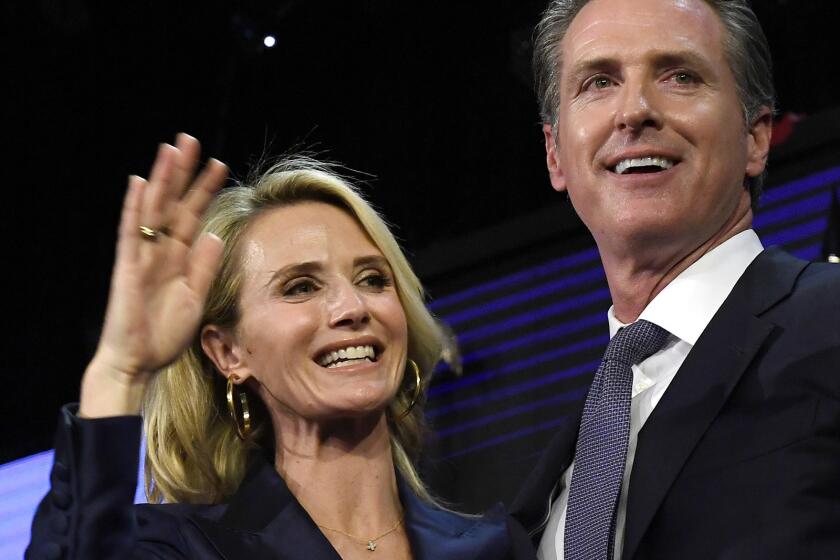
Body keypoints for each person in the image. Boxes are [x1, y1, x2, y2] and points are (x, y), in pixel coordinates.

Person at [27, 135, 535, 560]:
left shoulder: (494, 547)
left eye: (373, 278)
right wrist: (121, 371)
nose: (352, 306)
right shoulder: (184, 548)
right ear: (229, 353)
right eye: (300, 287)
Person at [510, 0, 840, 559]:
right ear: (555, 155)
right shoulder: (557, 468)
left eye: (680, 76)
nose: (633, 111)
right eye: (598, 82)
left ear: (756, 136)